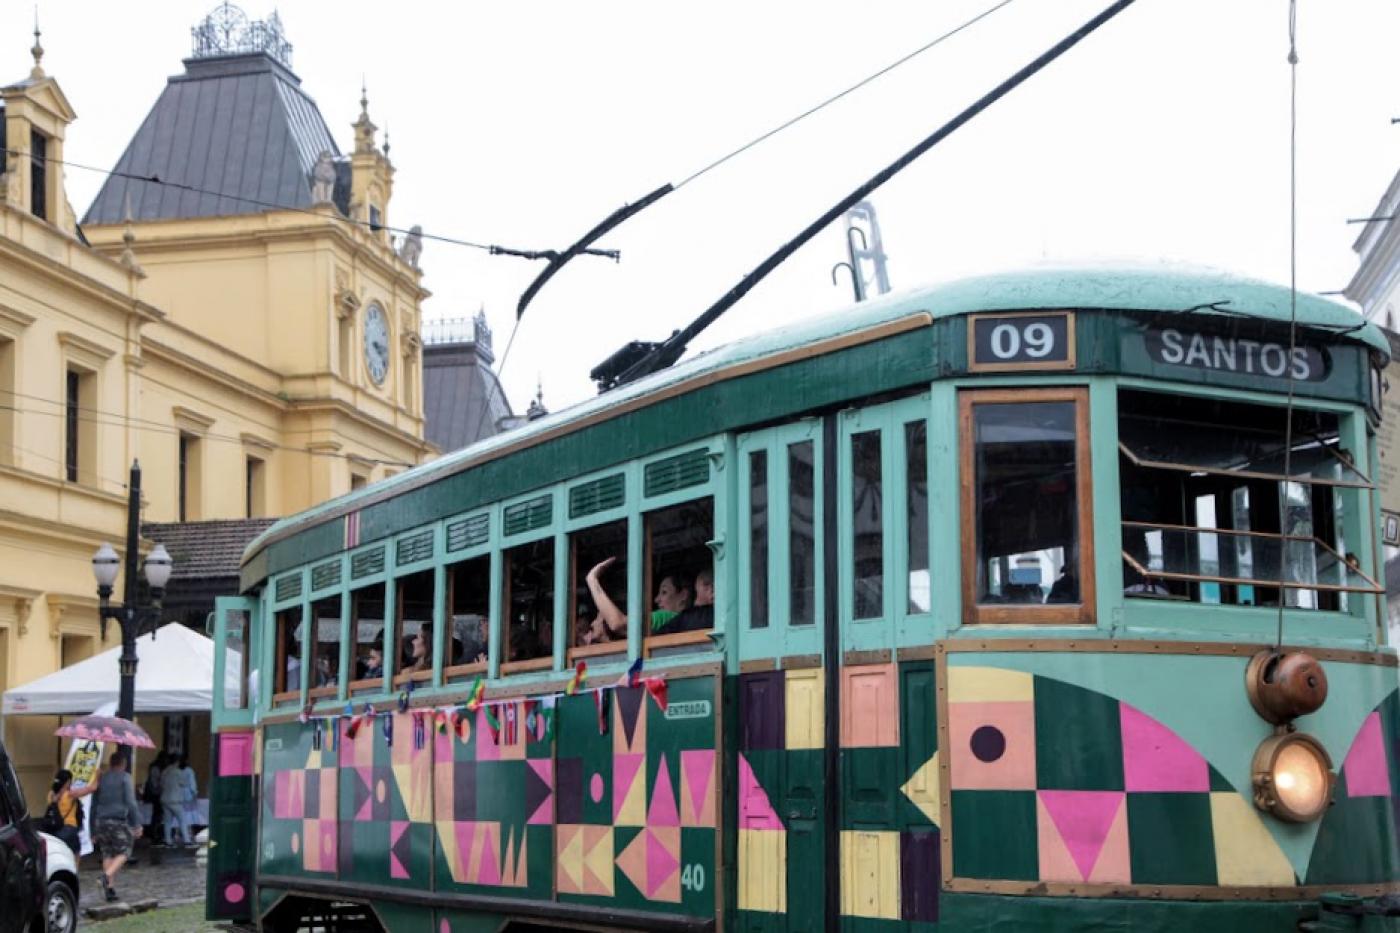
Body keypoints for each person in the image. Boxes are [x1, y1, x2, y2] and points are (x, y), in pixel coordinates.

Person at [581, 557, 692, 641]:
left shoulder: (667, 616)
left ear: (683, 595)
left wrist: (592, 579)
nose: (656, 600)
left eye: (664, 592)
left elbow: (617, 623)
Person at [90, 751, 143, 902]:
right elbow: (131, 803)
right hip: (117, 820)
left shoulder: (101, 778)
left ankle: (110, 889)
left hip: (101, 821)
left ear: (111, 763)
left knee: (107, 853)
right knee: (125, 850)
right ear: (123, 764)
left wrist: (92, 829)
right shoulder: (125, 778)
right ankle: (106, 877)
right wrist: (137, 824)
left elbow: (94, 804)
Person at [47, 768, 95, 855]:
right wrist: (98, 775)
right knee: (76, 853)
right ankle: (74, 868)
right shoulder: (70, 794)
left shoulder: (51, 794)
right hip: (70, 829)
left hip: (56, 830)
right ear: (68, 781)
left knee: (62, 854)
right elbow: (92, 788)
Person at [667, 567, 714, 632]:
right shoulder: (685, 617)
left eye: (715, 585)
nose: (711, 589)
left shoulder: (686, 618)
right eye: (706, 585)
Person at [160, 753, 192, 846]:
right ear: (177, 761)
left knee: (167, 821)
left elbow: (161, 785)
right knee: (182, 820)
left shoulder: (164, 771)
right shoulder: (178, 772)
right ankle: (186, 840)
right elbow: (185, 783)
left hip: (165, 799)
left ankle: (168, 840)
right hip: (175, 800)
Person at [142, 752, 167, 845]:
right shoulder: (156, 768)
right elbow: (154, 782)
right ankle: (154, 834)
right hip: (156, 794)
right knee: (157, 815)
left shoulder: (155, 767)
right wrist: (159, 789)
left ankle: (155, 833)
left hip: (156, 793)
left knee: (157, 815)